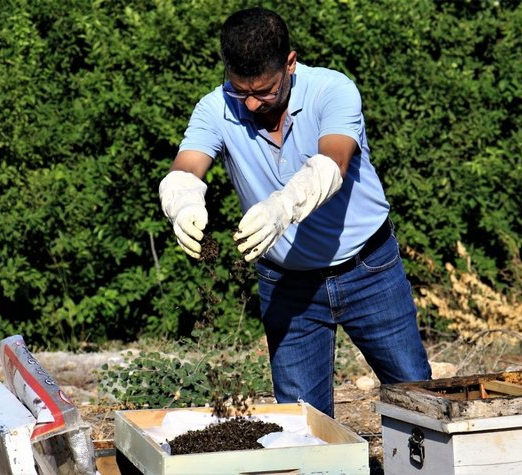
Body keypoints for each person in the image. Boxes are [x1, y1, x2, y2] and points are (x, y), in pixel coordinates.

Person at [159, 7, 431, 417]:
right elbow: (186, 166)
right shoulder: (215, 108)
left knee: (418, 399)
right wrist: (182, 202)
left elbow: (332, 163)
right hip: (285, 283)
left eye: (264, 91)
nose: (250, 104)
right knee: (302, 420)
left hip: (368, 271)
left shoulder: (333, 91)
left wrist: (282, 207)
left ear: (290, 63)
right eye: (240, 91)